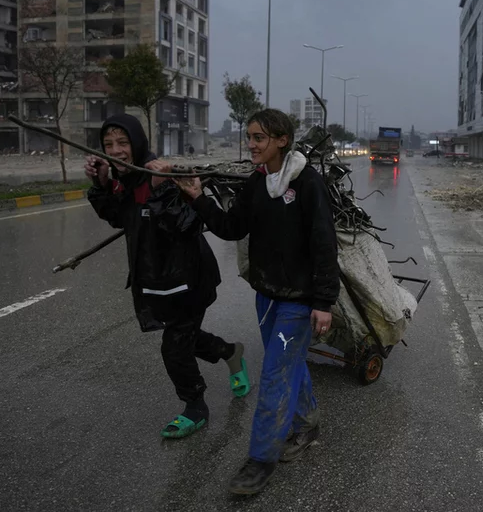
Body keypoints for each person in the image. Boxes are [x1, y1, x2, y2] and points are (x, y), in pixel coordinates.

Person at [175, 108, 339, 496]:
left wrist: (324, 301)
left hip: (299, 302)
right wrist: (198, 198)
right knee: (288, 365)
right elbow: (233, 227)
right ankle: (307, 423)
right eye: (249, 137)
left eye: (258, 138)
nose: (251, 144)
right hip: (266, 296)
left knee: (274, 376)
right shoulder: (257, 183)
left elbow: (324, 245)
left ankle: (260, 460)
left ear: (281, 140)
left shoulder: (307, 184)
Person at [85, 113, 250, 440]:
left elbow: (188, 226)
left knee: (173, 347)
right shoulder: (127, 179)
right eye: (108, 145)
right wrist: (101, 184)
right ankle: (231, 352)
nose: (115, 150)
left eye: (122, 143)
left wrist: (161, 191)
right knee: (185, 338)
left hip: (189, 278)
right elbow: (119, 218)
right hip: (155, 280)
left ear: (137, 143)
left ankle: (195, 407)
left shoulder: (164, 175)